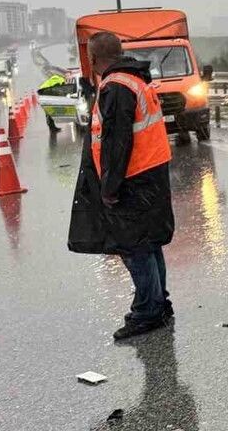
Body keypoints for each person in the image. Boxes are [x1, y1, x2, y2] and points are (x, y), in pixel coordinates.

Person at [67, 31, 175, 341]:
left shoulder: (116, 86)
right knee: (148, 242)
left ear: (92, 58)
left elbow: (116, 142)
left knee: (134, 246)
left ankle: (147, 312)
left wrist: (109, 188)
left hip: (133, 178)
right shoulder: (134, 79)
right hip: (150, 173)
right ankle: (158, 303)